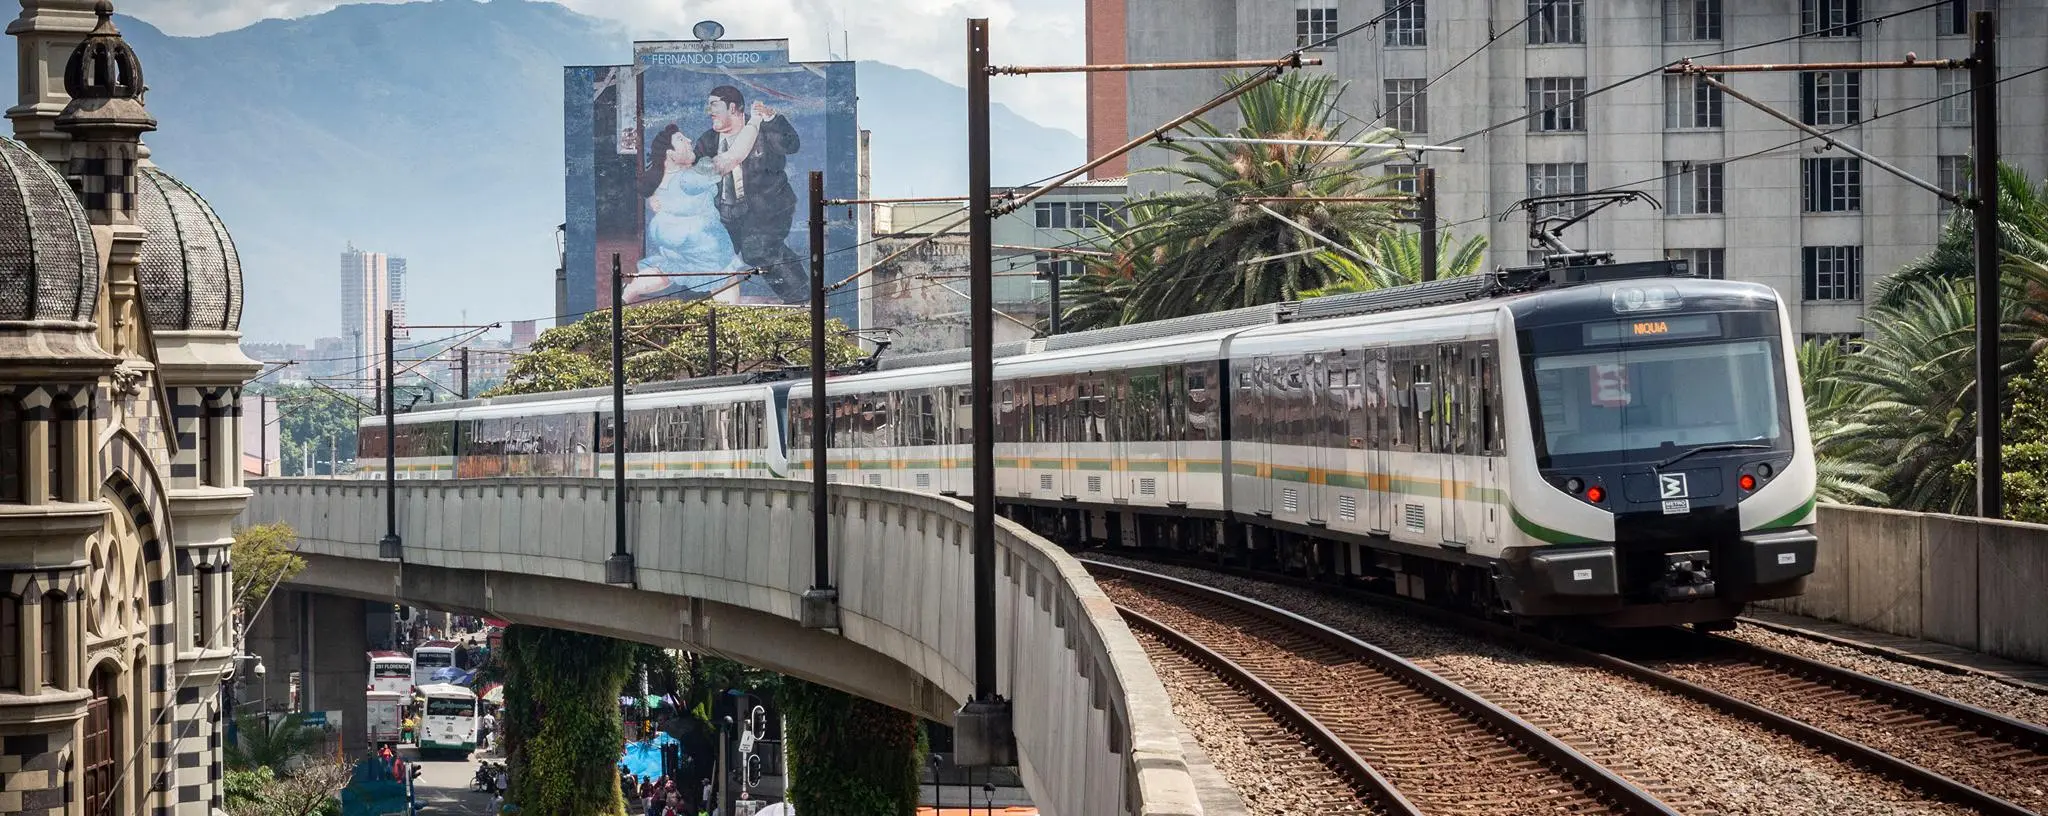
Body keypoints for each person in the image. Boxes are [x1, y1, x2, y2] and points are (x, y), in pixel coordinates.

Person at [695, 85, 807, 302]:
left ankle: (802, 298)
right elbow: (693, 167)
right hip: (725, 212)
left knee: (759, 249)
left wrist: (773, 119)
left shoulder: (764, 131)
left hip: (766, 208)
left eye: (714, 105)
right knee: (710, 253)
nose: (710, 111)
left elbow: (792, 145)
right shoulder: (708, 140)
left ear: (733, 108)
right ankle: (705, 312)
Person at [634, 117, 763, 303]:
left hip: (668, 237)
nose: (689, 140)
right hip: (701, 239)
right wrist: (755, 121)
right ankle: (730, 317)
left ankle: (628, 292)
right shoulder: (692, 176)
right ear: (670, 154)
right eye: (681, 139)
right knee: (724, 275)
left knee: (669, 268)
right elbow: (734, 155)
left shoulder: (659, 180)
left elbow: (657, 197)